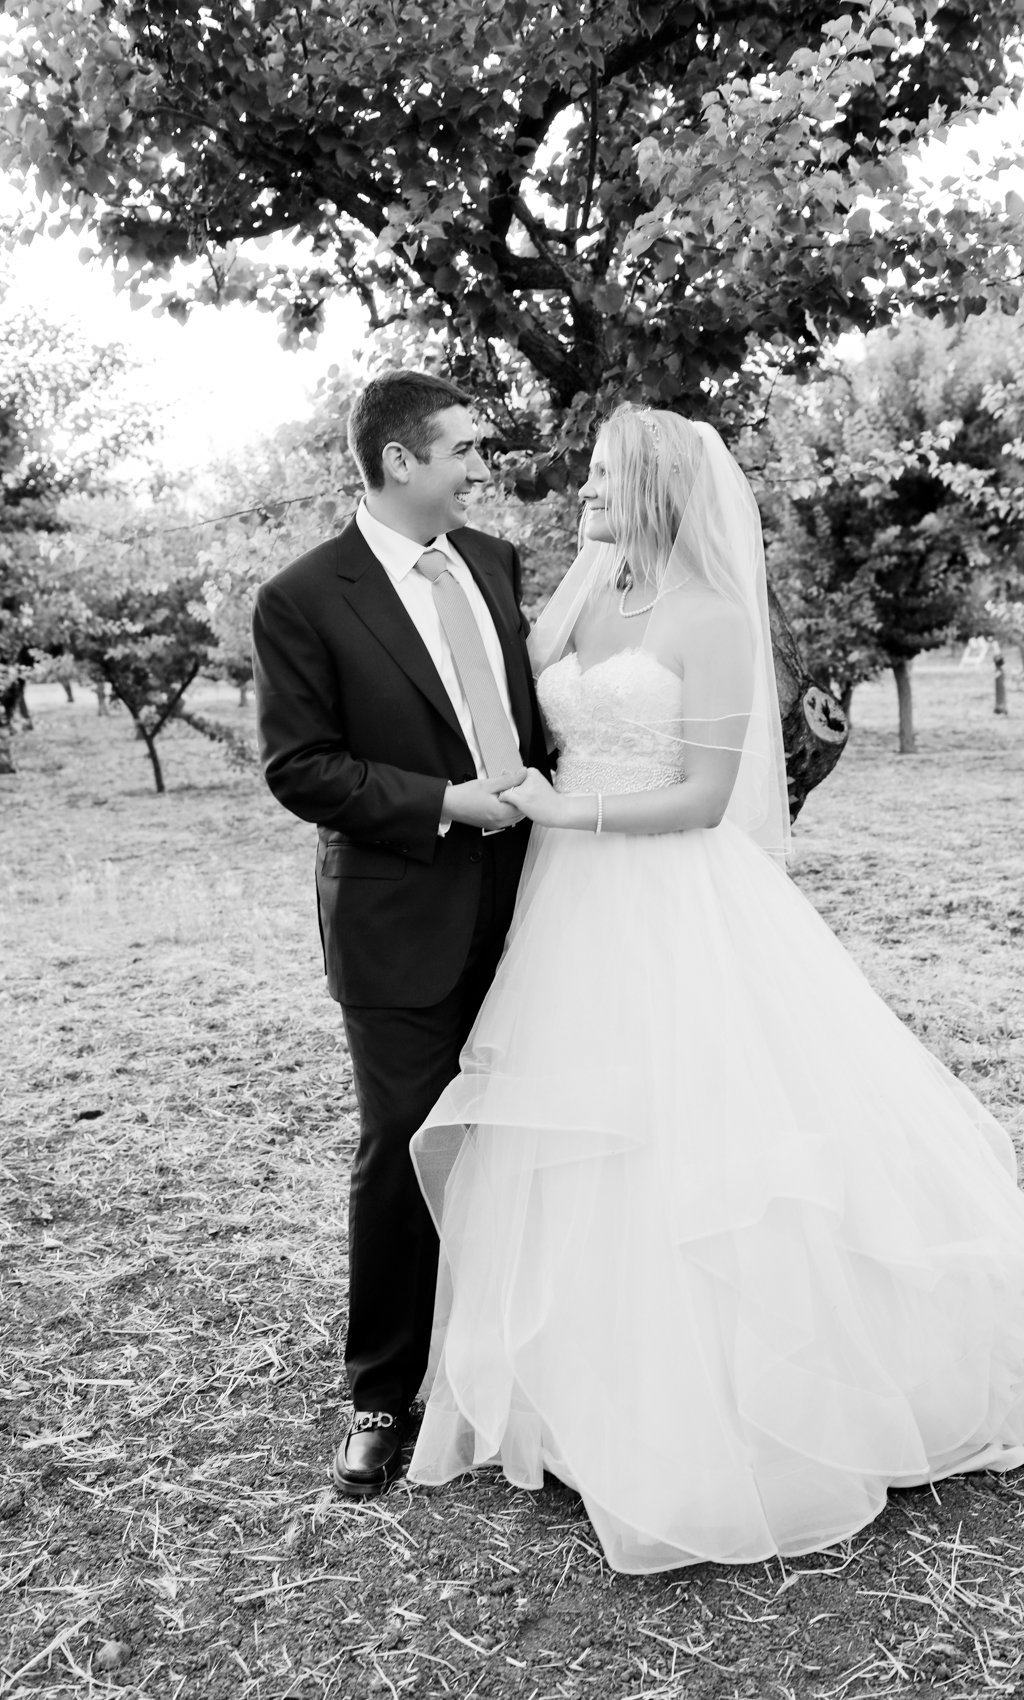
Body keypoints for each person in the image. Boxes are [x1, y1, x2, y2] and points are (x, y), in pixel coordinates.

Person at [405, 404, 1024, 1574]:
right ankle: (592, 1387)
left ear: (647, 484)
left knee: (695, 1129)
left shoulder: (711, 616)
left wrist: (567, 807)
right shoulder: (584, 596)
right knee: (583, 1132)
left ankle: (737, 1403)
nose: (579, 491)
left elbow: (700, 795)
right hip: (564, 902)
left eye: (599, 474)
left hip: (666, 892)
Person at [252, 371, 546, 1497]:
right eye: (463, 448)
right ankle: (383, 1387)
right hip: (396, 917)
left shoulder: (495, 563)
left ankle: (515, 1357)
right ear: (396, 463)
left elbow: (529, 718)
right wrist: (441, 799)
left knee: (521, 1134)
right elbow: (299, 765)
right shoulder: (303, 597)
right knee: (404, 1146)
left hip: (531, 901)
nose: (479, 466)